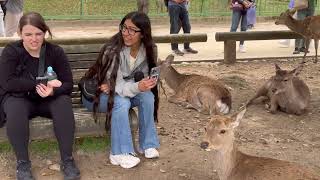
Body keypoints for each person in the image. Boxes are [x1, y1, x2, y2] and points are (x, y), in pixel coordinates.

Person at [0, 12, 80, 180]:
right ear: (20, 33)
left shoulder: (55, 52)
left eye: (38, 34)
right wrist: (40, 84)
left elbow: (67, 84)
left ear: (45, 33)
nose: (34, 39)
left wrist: (53, 91)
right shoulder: (11, 52)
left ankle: (68, 160)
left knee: (63, 102)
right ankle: (23, 163)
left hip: (47, 100)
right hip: (21, 98)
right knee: (14, 107)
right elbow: (7, 83)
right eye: (28, 34)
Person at [81, 11, 160, 169]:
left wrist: (146, 83)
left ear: (143, 33)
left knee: (147, 97)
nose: (126, 33)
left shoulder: (149, 49)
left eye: (132, 30)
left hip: (121, 92)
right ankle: (119, 153)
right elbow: (114, 85)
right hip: (97, 96)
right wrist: (136, 86)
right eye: (124, 28)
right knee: (122, 102)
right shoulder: (112, 50)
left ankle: (147, 144)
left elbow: (135, 80)